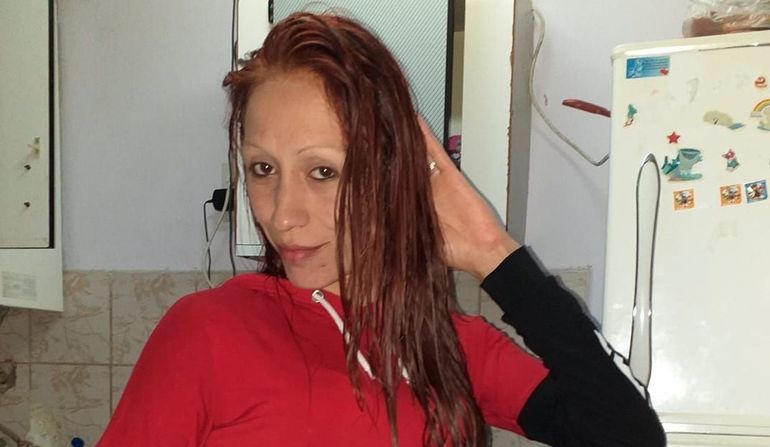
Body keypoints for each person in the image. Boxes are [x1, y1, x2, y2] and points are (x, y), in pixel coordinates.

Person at [97, 12, 665, 447]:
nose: (282, 214)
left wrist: (494, 254)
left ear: (388, 174)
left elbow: (628, 437)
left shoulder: (447, 345)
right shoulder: (208, 332)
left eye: (323, 172)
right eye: (262, 169)